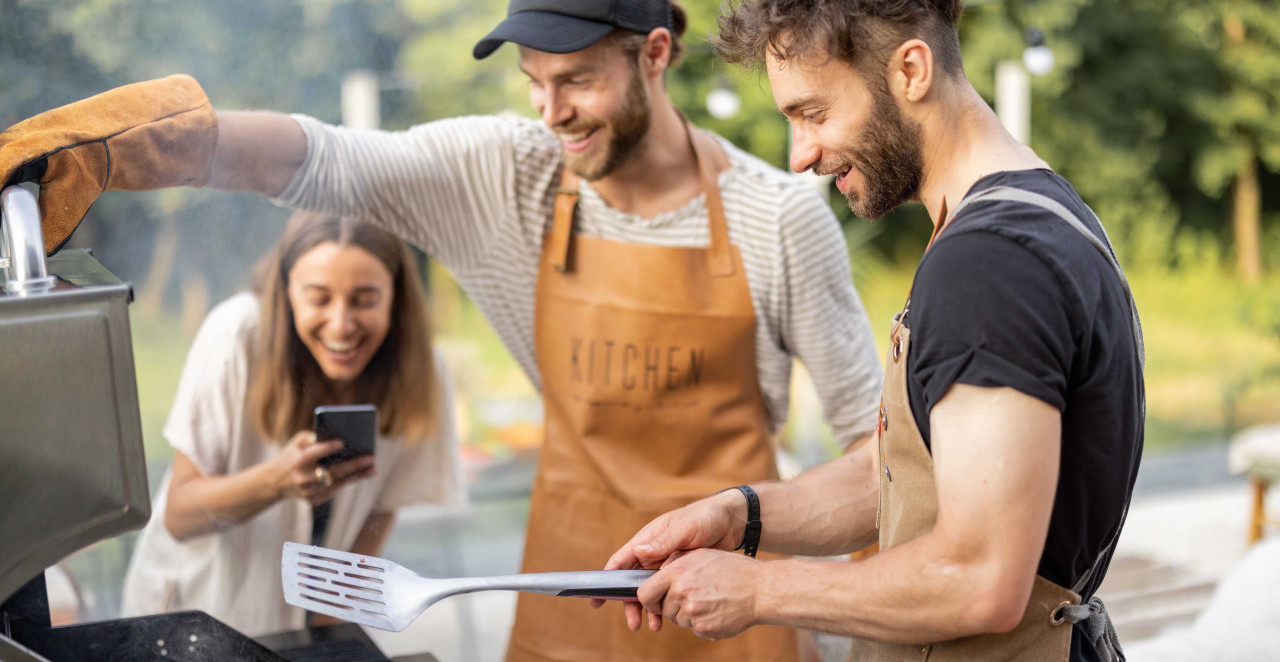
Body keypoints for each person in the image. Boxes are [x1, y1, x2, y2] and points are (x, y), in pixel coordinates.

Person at [0, 0, 884, 658]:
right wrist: (152, 145)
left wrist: (865, 620)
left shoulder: (776, 219)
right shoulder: (510, 174)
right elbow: (326, 159)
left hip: (733, 613)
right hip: (562, 604)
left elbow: (868, 441)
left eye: (577, 80)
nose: (552, 111)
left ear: (655, 54)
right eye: (535, 82)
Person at [601, 2, 1145, 662]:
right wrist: (738, 516)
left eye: (814, 113)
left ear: (911, 70)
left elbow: (982, 580)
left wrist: (758, 591)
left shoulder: (992, 265)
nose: (801, 155)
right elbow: (906, 472)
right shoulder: (1031, 212)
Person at [119, 211, 464, 636]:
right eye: (319, 298)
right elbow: (180, 515)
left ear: (396, 297)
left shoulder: (423, 369)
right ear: (285, 294)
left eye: (364, 300)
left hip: (302, 628)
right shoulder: (237, 335)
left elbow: (381, 512)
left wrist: (326, 627)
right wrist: (274, 482)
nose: (341, 324)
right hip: (195, 618)